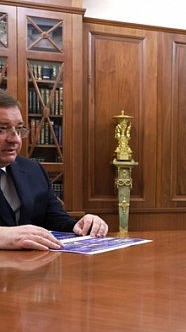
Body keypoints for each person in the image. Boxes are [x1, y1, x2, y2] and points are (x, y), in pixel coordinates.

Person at [0, 89, 108, 250]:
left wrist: (80, 225)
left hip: (31, 264)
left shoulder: (33, 170)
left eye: (19, 129)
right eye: (2, 129)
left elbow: (54, 218)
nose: (15, 139)